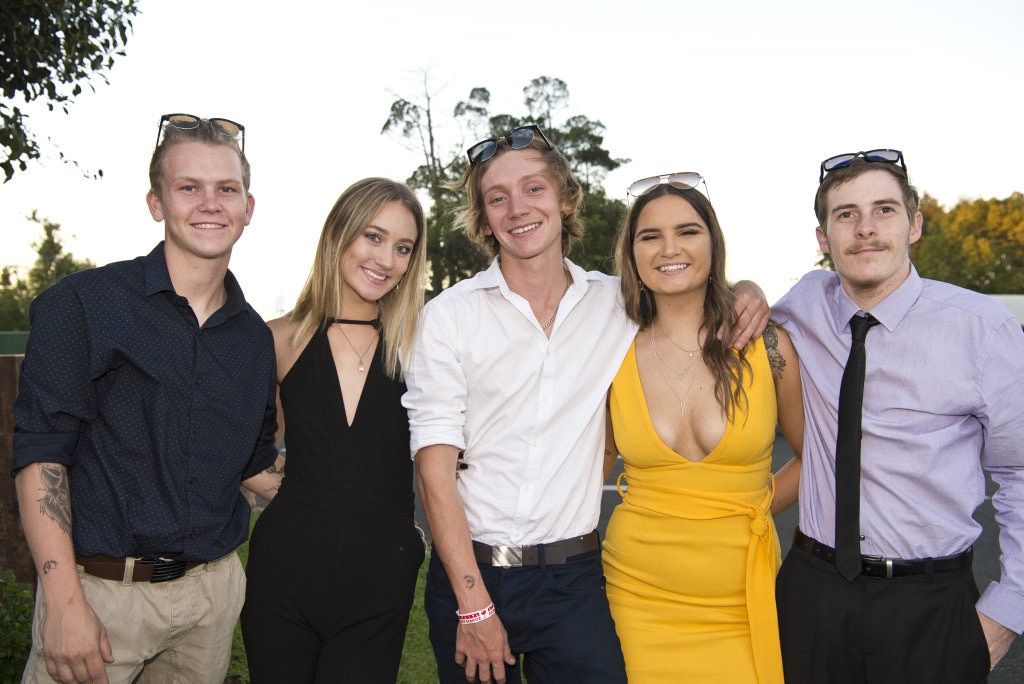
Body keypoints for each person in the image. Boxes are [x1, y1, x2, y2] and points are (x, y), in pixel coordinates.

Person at [402, 125, 771, 683]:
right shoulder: (450, 317)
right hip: (472, 574)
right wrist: (474, 605)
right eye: (496, 198)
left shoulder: (615, 305)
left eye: (533, 189)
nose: (517, 209)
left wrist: (747, 289)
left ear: (566, 198)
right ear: (483, 217)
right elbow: (434, 471)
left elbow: (685, 291)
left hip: (574, 582)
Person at [12, 113, 285, 684]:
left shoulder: (254, 341)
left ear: (248, 208)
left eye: (226, 189)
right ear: (156, 202)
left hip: (210, 599)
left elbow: (256, 468)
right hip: (103, 597)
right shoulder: (84, 305)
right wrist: (63, 603)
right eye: (189, 187)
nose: (209, 204)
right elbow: (41, 457)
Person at [773, 149, 1024, 682]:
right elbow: (738, 317)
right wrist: (746, 291)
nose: (865, 229)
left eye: (884, 210)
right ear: (824, 237)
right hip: (811, 597)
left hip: (930, 606)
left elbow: (1020, 475)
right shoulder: (803, 304)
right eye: (846, 215)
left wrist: (1006, 614)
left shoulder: (982, 330)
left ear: (915, 224)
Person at [602, 175, 803, 683]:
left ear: (713, 242)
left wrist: (750, 505)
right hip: (634, 595)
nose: (669, 248)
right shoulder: (607, 350)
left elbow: (819, 457)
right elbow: (593, 463)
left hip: (743, 598)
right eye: (650, 236)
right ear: (632, 253)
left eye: (688, 231)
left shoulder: (769, 346)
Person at [240, 177, 428, 682]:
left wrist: (396, 528)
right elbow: (245, 455)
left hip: (380, 577)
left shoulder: (422, 345)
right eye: (373, 237)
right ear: (337, 236)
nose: (386, 259)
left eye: (403, 247)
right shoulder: (279, 337)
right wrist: (308, 499)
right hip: (284, 572)